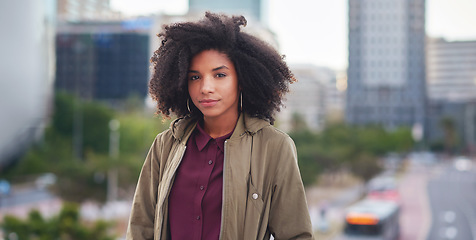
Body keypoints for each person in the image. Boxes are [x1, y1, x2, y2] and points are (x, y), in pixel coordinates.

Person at [126, 12, 313, 240]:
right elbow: (141, 228)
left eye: (220, 75)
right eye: (195, 77)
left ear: (243, 80)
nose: (206, 87)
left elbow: (295, 234)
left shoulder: (274, 147)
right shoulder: (165, 146)